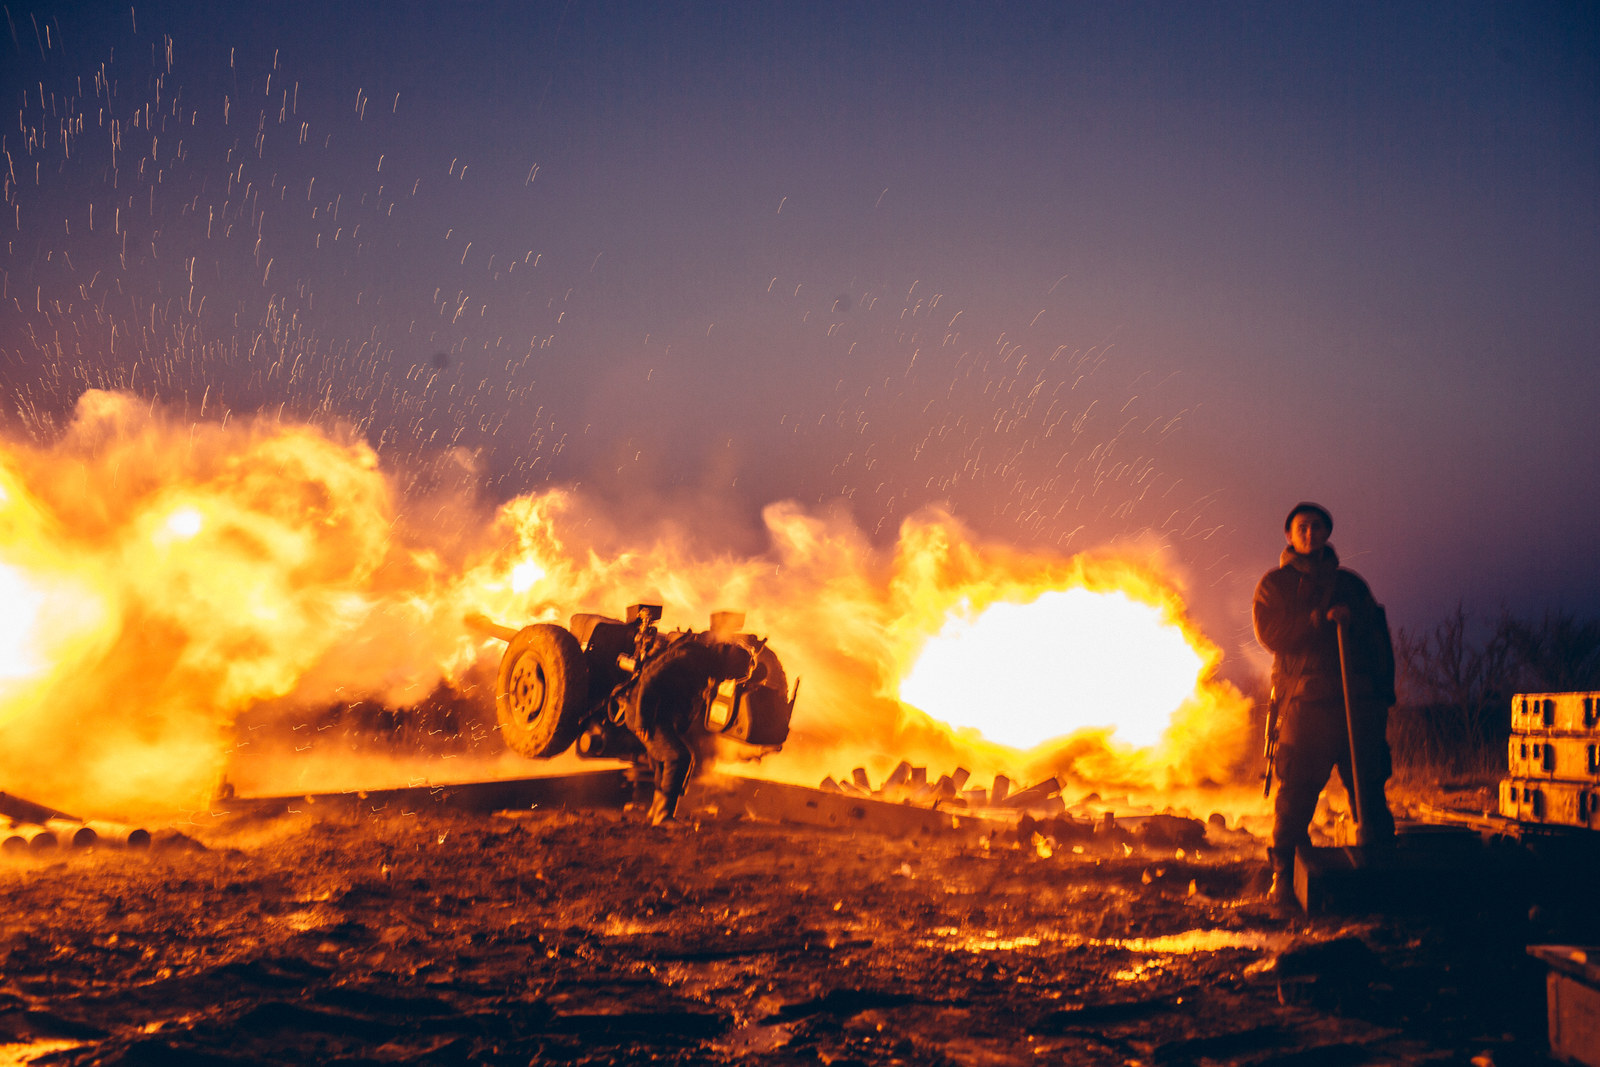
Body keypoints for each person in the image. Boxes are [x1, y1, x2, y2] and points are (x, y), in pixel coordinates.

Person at [1254, 502, 1396, 902]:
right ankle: (1284, 877)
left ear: (1327, 533)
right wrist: (1318, 620)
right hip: (1305, 705)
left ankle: (1379, 874)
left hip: (1358, 703)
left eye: (1318, 526)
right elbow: (1272, 635)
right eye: (1303, 527)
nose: (1310, 533)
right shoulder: (1274, 585)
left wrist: (1384, 693)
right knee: (1296, 795)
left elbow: (1377, 638)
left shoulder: (1352, 585)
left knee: (1369, 791)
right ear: (1290, 535)